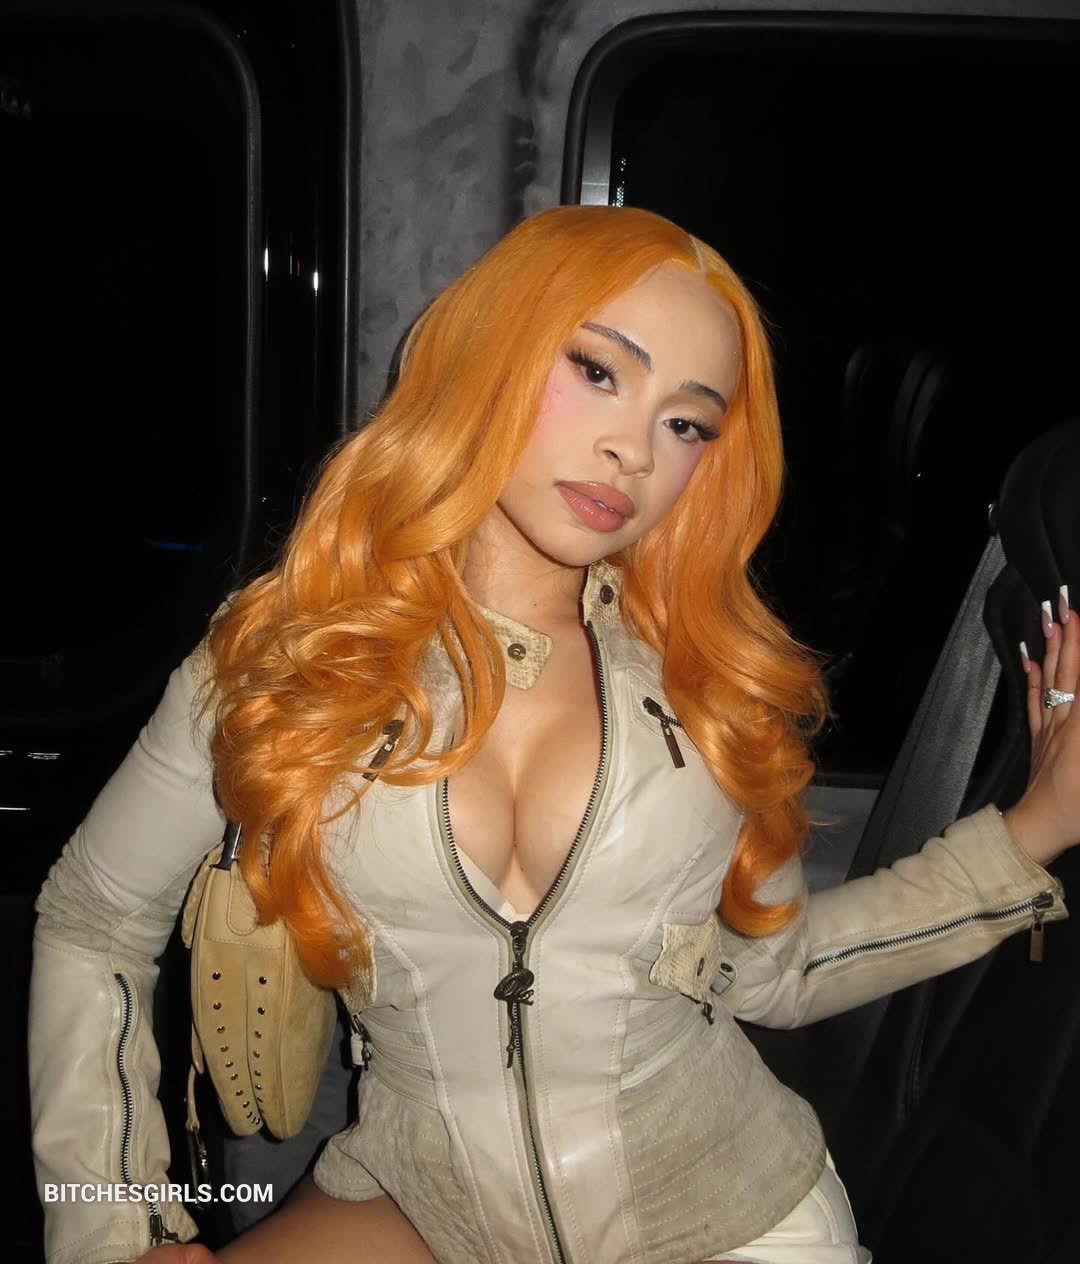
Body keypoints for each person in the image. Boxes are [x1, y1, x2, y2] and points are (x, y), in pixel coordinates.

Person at [29, 205, 1078, 1264]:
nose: (634, 450)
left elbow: (779, 973)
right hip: (423, 1204)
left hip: (731, 1216)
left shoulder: (707, 684)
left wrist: (1030, 829)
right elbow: (92, 921)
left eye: (687, 424)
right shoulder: (282, 658)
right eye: (597, 370)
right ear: (491, 350)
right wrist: (114, 1223)